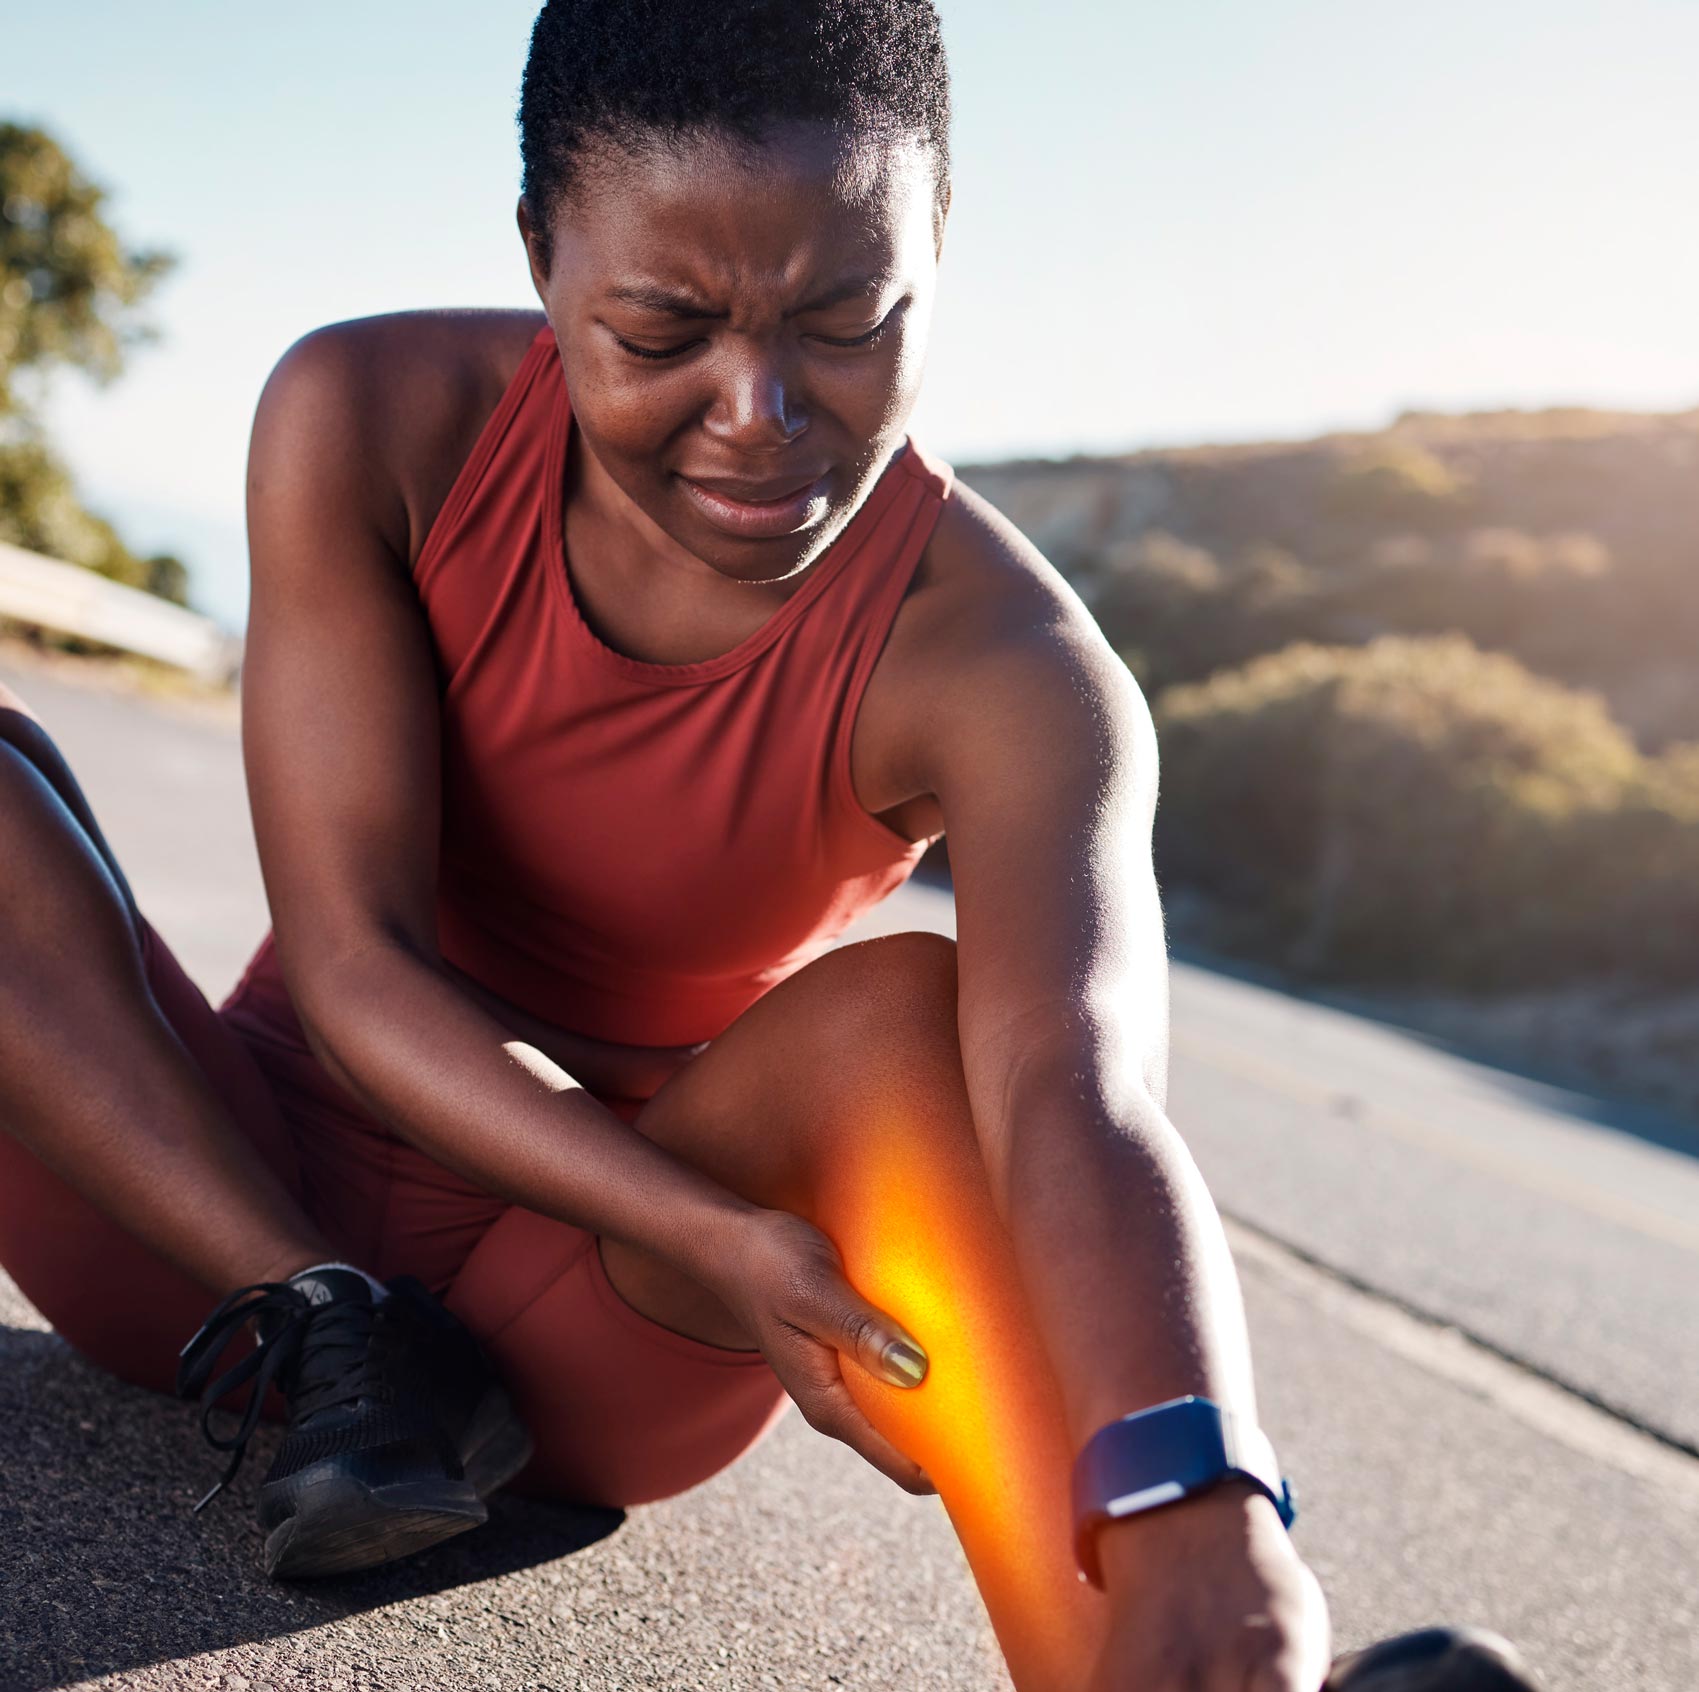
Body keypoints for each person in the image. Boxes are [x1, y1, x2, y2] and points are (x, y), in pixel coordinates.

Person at [0, 5, 1537, 1690]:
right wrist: (342, 1287)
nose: (760, 413)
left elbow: (1070, 1094)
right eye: (662, 328)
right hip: (196, 1224)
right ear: (542, 250)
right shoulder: (371, 415)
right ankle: (327, 1316)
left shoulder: (1014, 672)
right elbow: (360, 966)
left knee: (900, 1023)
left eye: (845, 321)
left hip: (589, 1317)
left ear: (935, 249)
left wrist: (1204, 1491)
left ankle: (1172, 1659)